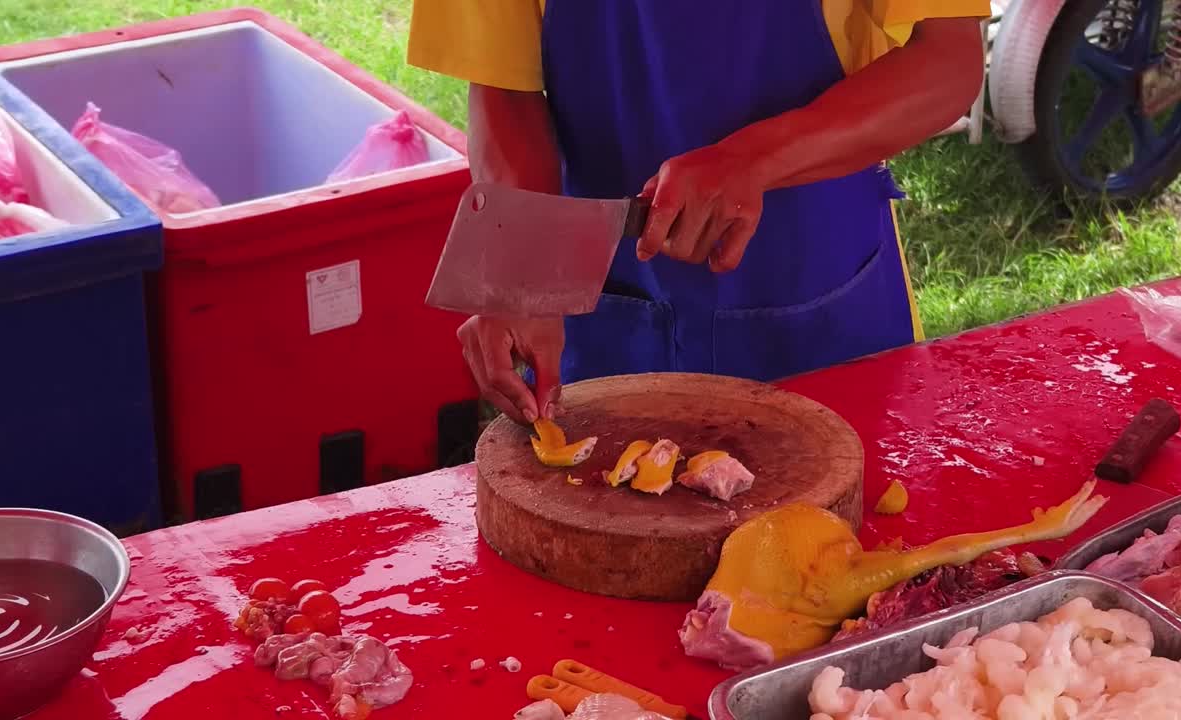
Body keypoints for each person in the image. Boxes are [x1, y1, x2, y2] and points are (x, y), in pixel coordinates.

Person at [408, 2, 990, 424]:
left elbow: (946, 60)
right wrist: (523, 271)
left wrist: (752, 160)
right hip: (605, 296)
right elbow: (504, 84)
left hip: (819, 297)